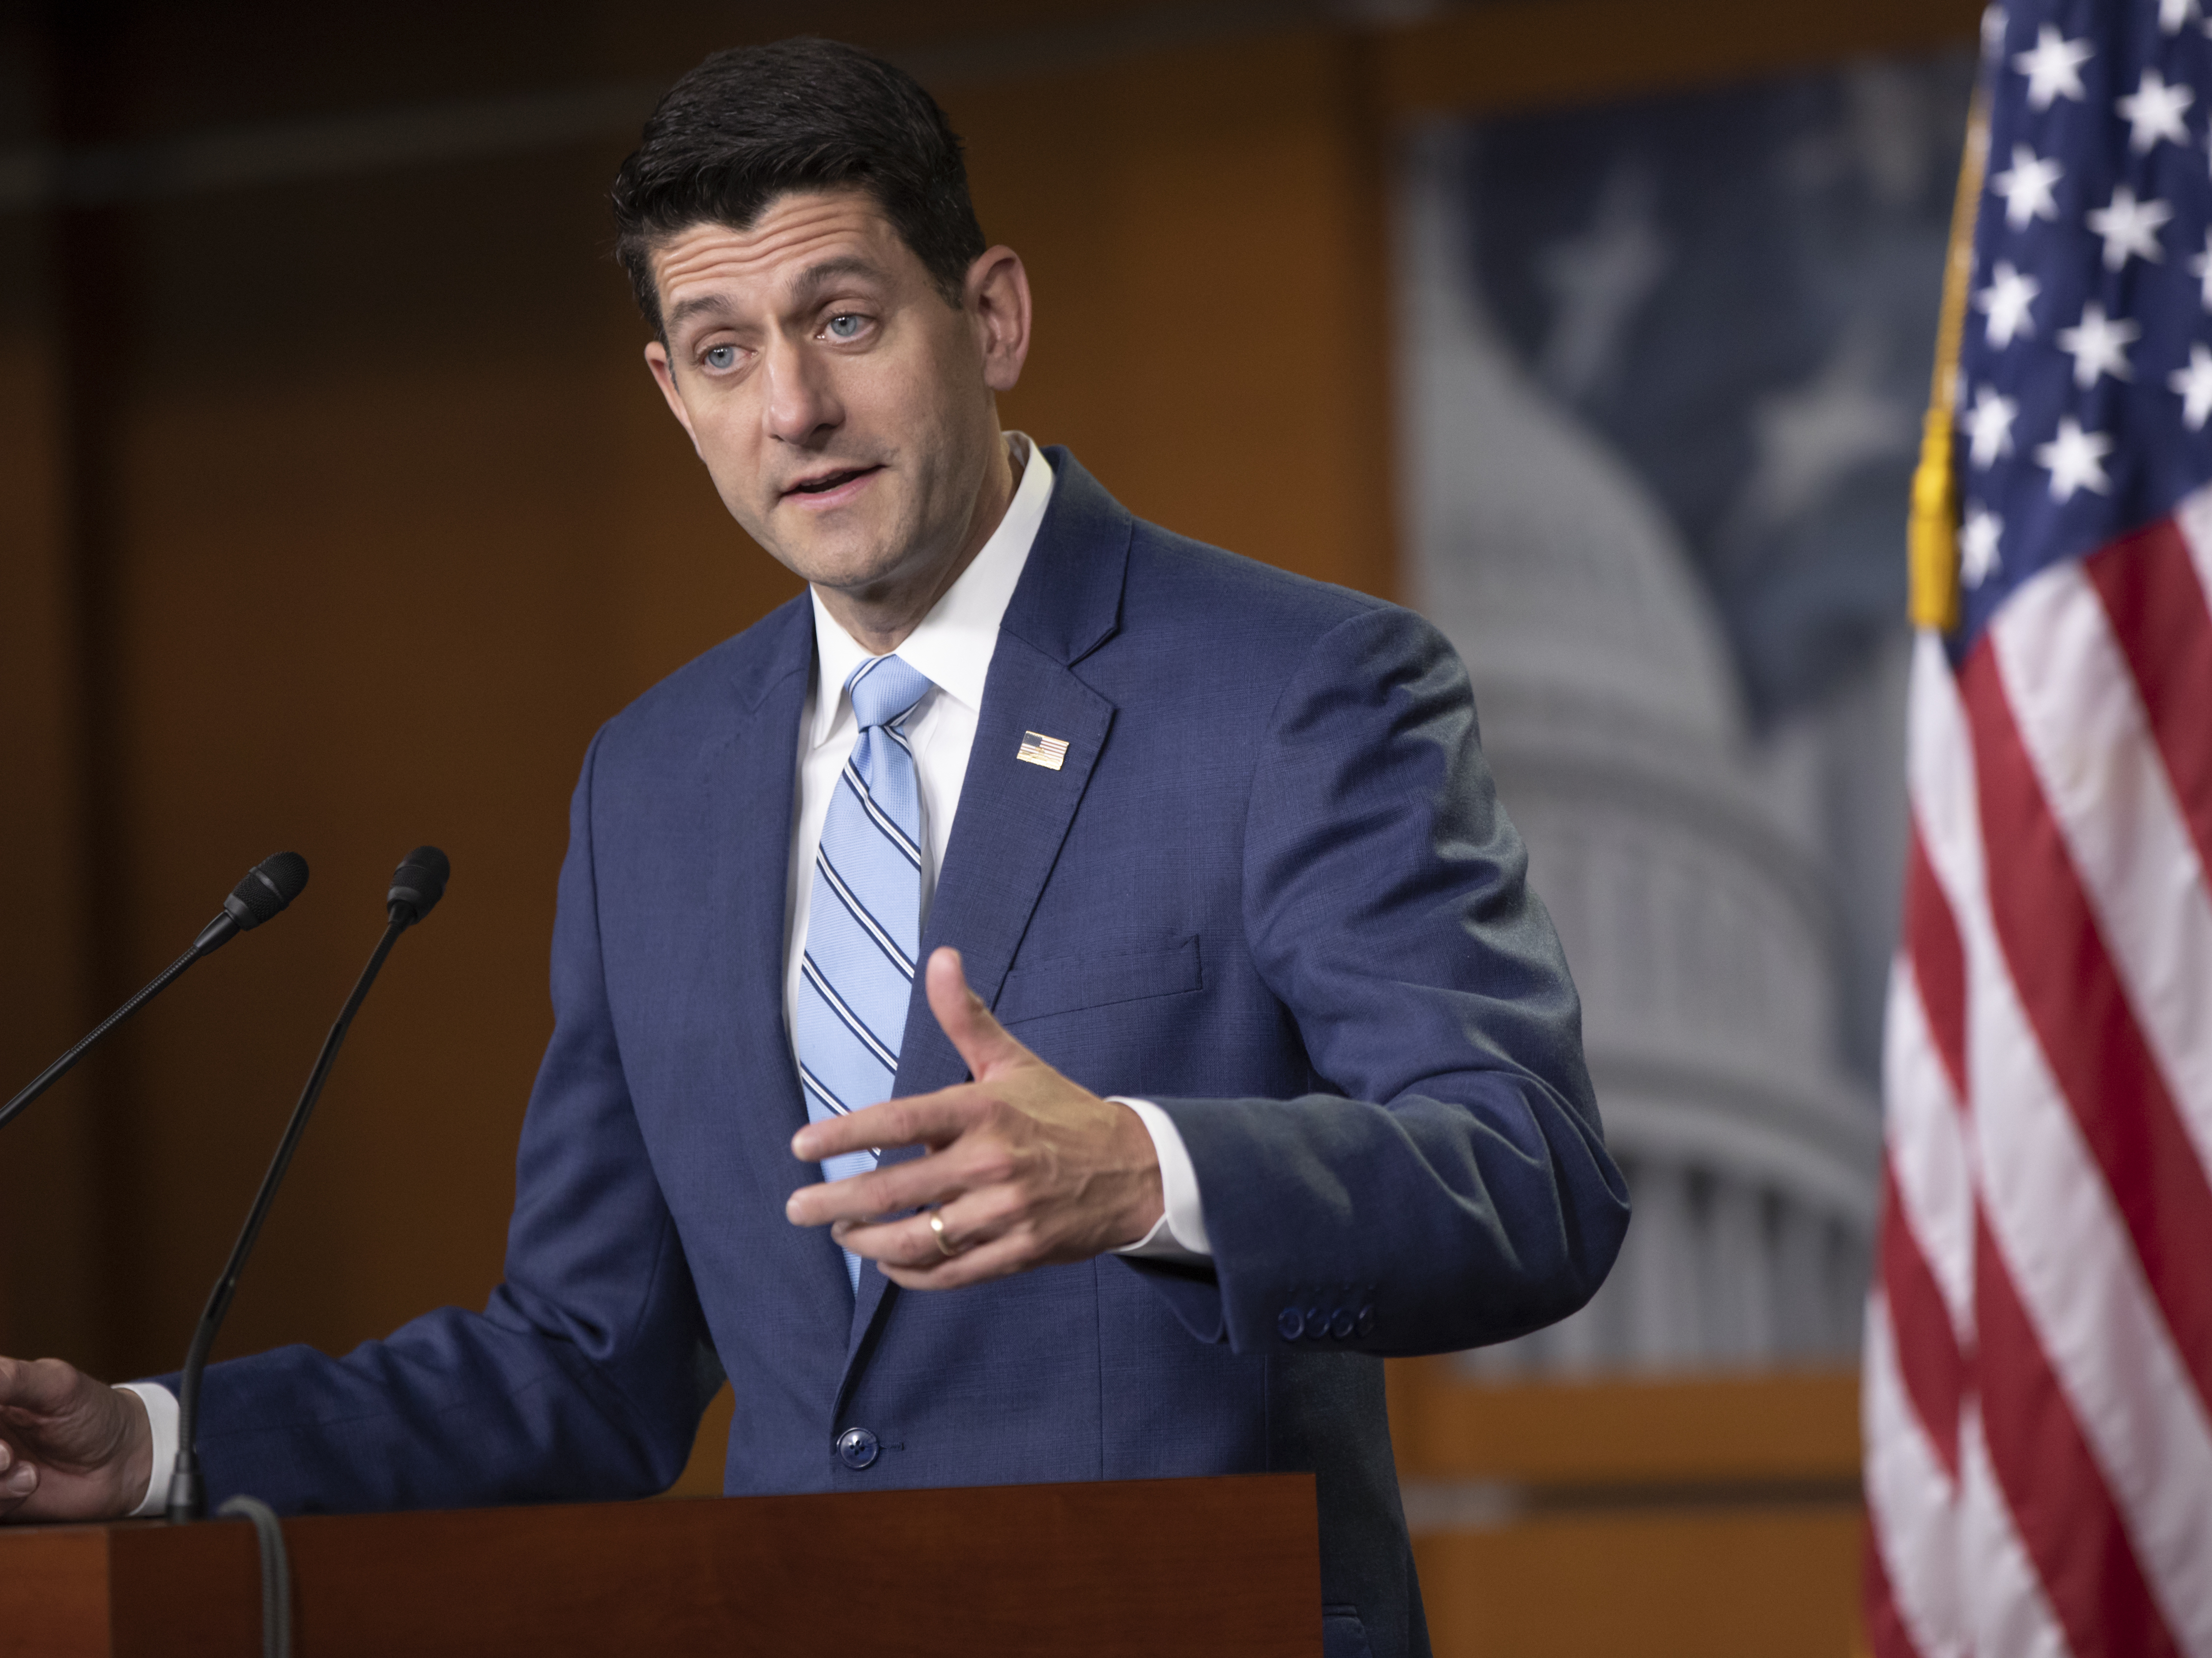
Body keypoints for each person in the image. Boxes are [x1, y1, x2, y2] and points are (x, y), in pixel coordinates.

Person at [0, 38, 1627, 1658]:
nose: (794, 409)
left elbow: (1532, 1176)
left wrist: (1147, 1171)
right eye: (722, 352)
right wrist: (157, 1442)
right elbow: (587, 1358)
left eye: (845, 321)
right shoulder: (652, 778)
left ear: (989, 317)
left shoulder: (1296, 688)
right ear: (671, 393)